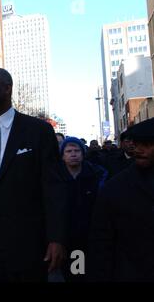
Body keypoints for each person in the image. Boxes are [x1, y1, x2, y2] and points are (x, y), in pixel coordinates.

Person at [0, 68, 67, 282]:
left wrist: (56, 238)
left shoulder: (38, 131)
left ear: (8, 88)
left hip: (28, 248)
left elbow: (53, 187)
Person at [88, 117, 154, 281]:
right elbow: (101, 241)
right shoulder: (115, 188)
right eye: (136, 143)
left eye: (146, 144)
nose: (138, 150)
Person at [59, 137, 107, 282]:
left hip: (91, 233)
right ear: (62, 155)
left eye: (76, 151)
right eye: (69, 151)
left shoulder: (97, 174)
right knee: (72, 272)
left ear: (82, 153)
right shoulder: (55, 176)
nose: (73, 154)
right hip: (65, 235)